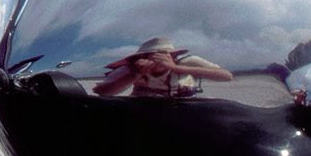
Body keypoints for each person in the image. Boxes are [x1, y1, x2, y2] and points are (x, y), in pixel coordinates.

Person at [94, 37, 233, 98]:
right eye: (153, 56)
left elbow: (226, 76)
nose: (159, 60)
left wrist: (177, 69)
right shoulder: (131, 68)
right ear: (143, 57)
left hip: (185, 108)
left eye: (164, 55)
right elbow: (101, 91)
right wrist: (134, 75)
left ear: (172, 56)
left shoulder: (189, 61)